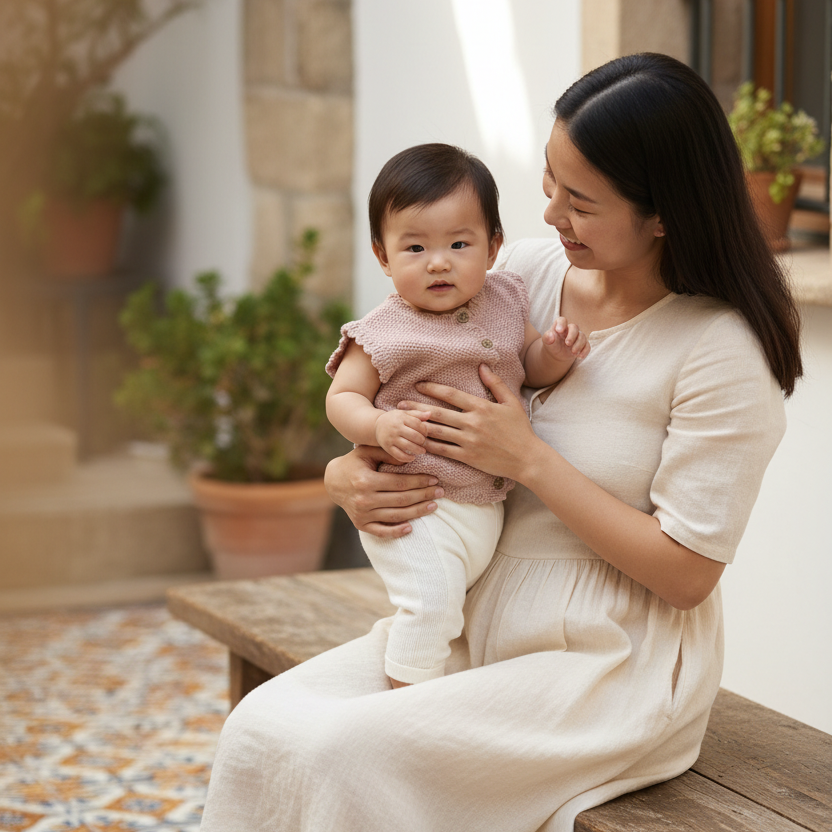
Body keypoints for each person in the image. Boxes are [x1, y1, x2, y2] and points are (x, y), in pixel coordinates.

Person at [199, 53, 801, 832]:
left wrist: (529, 461)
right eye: (551, 182)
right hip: (469, 618)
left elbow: (687, 574)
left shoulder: (720, 350)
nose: (550, 215)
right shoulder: (519, 274)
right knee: (263, 726)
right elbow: (389, 384)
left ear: (663, 214)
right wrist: (347, 474)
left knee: (342, 753)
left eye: (580, 202)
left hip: (605, 663)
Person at [326, 143, 589, 688]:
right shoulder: (382, 331)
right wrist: (377, 427)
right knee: (430, 604)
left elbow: (530, 366)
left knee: (446, 605)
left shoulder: (507, 300)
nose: (438, 261)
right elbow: (341, 399)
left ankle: (423, 683)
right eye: (415, 246)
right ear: (383, 256)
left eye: (459, 243)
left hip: (479, 511)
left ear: (493, 247)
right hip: (415, 506)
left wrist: (557, 355)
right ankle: (406, 699)